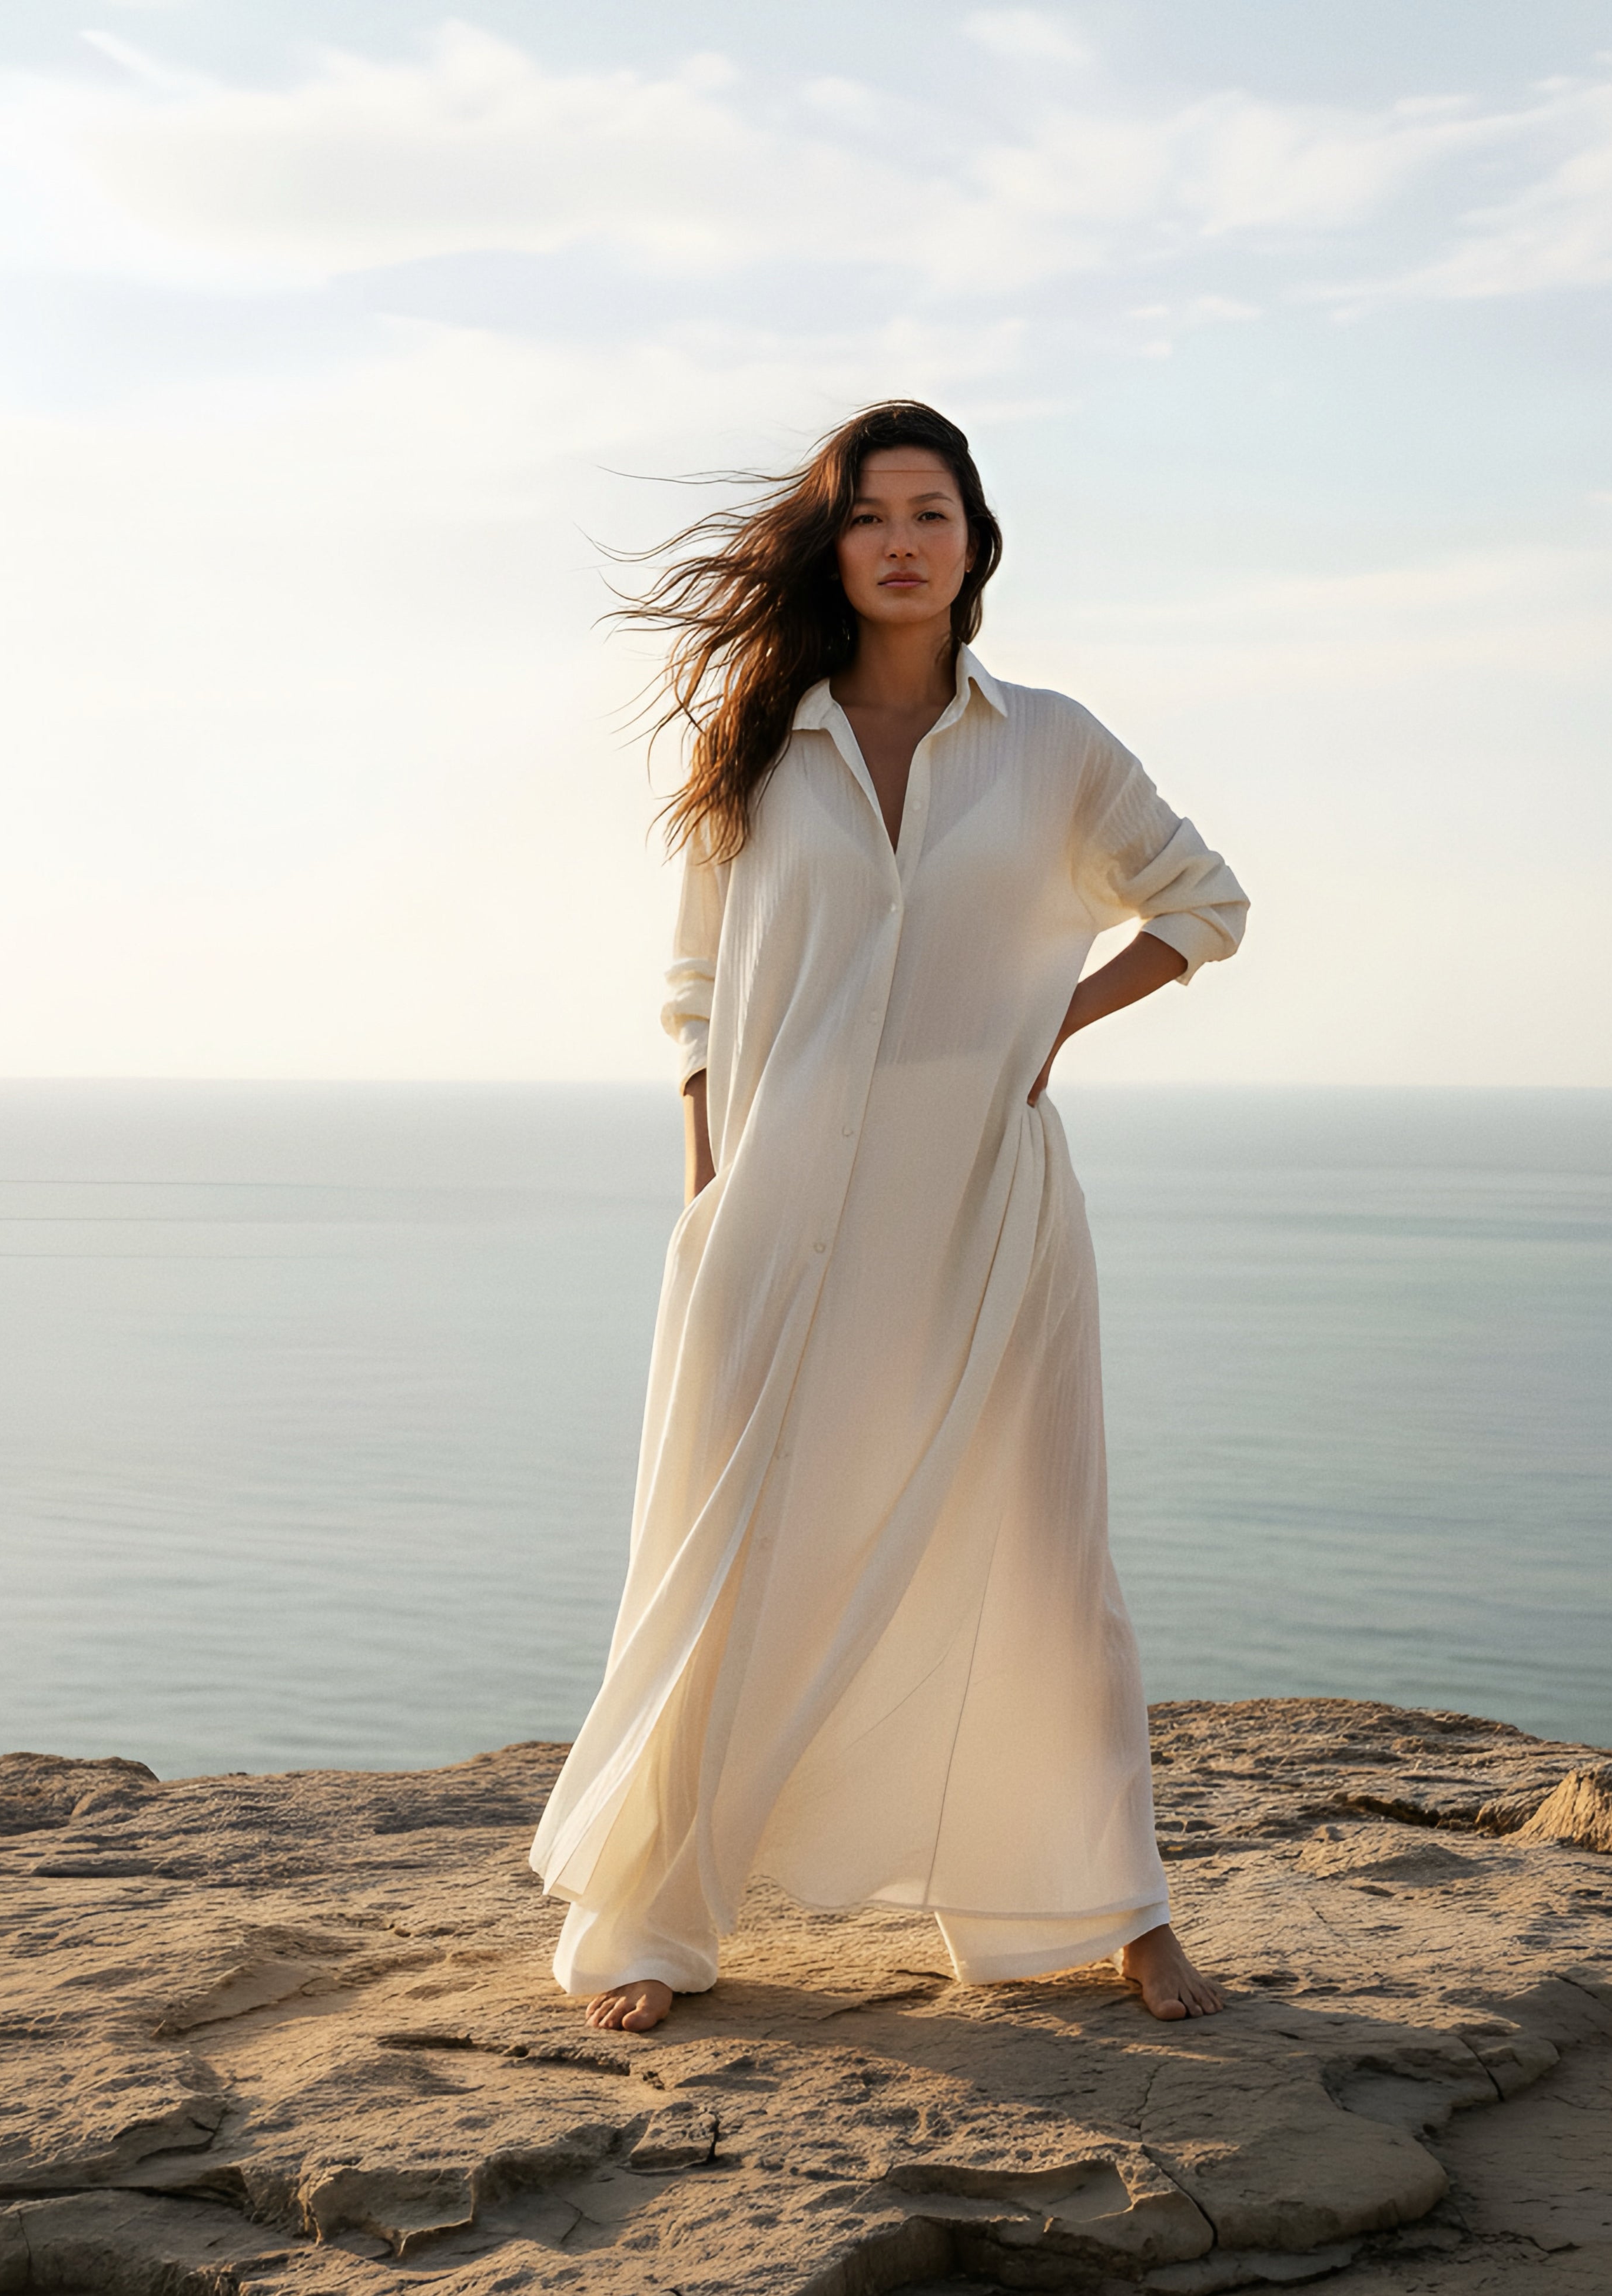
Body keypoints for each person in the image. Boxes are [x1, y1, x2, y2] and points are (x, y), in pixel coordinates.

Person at [529, 401, 1247, 2034]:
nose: (903, 539)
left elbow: (1203, 902)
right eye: (871, 515)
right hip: (768, 1220)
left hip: (979, 1219)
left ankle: (1118, 1910)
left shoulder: (1051, 743)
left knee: (1045, 1552)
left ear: (974, 542)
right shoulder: (759, 736)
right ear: (834, 544)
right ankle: (651, 1914)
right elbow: (695, 988)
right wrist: (709, 1178)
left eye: (933, 511)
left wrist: (1047, 1026)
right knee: (726, 1548)